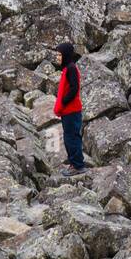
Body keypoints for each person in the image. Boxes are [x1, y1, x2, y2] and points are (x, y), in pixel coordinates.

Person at [54, 41, 86, 176]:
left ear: (66, 55)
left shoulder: (71, 68)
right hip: (69, 111)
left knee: (71, 137)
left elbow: (74, 88)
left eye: (60, 55)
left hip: (71, 110)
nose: (57, 57)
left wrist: (63, 102)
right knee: (70, 137)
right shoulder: (68, 68)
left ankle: (78, 166)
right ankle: (74, 163)